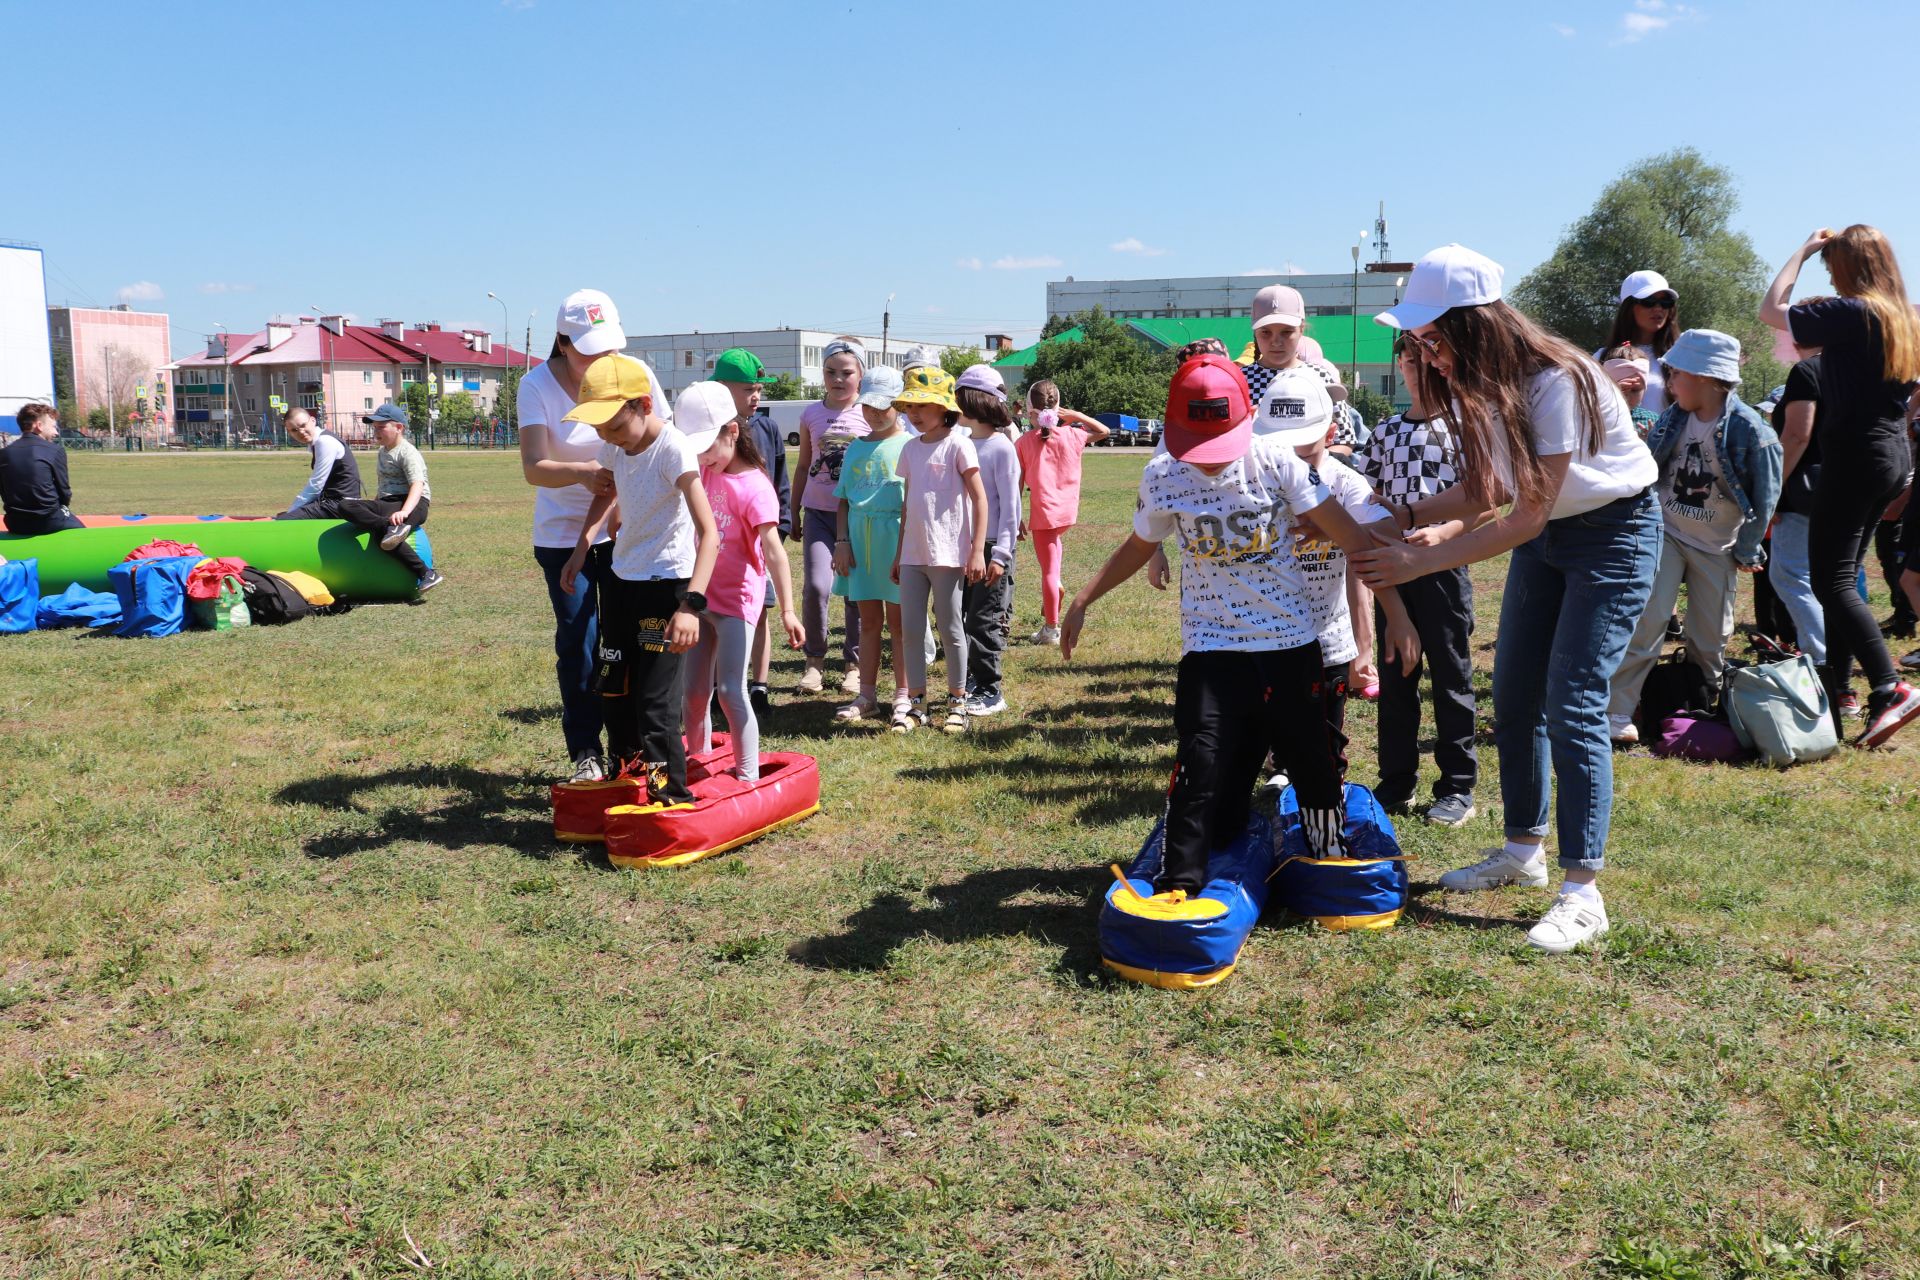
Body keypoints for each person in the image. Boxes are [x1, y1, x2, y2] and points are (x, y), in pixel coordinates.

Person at [1354, 244, 1659, 954]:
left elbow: (1524, 511)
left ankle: (1584, 893)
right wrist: (1413, 521)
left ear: (1474, 324)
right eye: (1418, 341)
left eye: (1432, 337)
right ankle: (1524, 852)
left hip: (1613, 534)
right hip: (1551, 535)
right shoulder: (1483, 384)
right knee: (1516, 695)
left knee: (1574, 701)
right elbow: (1491, 490)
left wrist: (1407, 562)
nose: (1426, 354)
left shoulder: (1558, 380)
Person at [1060, 353, 1417, 907]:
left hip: (1289, 643)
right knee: (1202, 757)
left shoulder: (1276, 462)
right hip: (1211, 646)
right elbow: (1139, 545)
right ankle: (1180, 881)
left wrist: (1396, 612)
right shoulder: (1162, 475)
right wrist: (1083, 599)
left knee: (1311, 756)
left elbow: (1353, 538)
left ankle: (1326, 853)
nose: (1208, 464)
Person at [1759, 225, 1920, 746]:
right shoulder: (1906, 318)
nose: (1830, 275)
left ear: (1849, 264)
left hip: (1854, 457)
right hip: (1892, 455)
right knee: (1843, 576)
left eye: (1833, 266)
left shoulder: (1853, 311)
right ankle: (1840, 690)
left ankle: (1890, 688)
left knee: (1830, 581)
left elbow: (1771, 308)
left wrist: (1802, 250)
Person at [517, 289, 667, 782]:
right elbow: (535, 468)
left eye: (609, 346)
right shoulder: (536, 385)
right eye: (589, 348)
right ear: (562, 341)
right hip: (564, 537)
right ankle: (586, 750)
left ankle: (636, 748)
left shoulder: (636, 374)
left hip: (629, 532)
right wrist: (584, 473)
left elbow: (659, 443)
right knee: (579, 643)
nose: (603, 358)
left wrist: (622, 501)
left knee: (628, 639)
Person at [1606, 331, 1782, 741]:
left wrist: (1747, 546)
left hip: (1718, 545)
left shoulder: (1751, 431)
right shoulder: (1673, 417)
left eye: (1676, 374)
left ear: (1705, 377)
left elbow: (1766, 496)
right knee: (1647, 621)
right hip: (1665, 532)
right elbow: (1650, 467)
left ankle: (1702, 706)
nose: (1668, 384)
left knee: (1710, 635)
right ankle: (1618, 711)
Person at [558, 355, 719, 802]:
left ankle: (670, 795)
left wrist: (690, 606)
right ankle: (626, 774)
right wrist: (582, 547)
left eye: (612, 426)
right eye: (598, 429)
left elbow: (710, 534)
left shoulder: (673, 450)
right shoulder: (615, 445)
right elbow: (606, 491)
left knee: (654, 699)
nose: (605, 438)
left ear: (644, 405)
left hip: (665, 587)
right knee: (613, 682)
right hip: (620, 580)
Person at [1257, 367, 1418, 794]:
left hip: (1326, 635)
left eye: (1304, 456)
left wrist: (1335, 527)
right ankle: (1282, 767)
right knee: (1273, 713)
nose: (1291, 468)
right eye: (1281, 453)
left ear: (1330, 434)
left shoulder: (1344, 481)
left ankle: (1326, 789)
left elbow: (1386, 535)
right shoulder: (1251, 475)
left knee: (1326, 730)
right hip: (1263, 632)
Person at [1355, 336, 1483, 826]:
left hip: (1444, 569)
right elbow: (1365, 496)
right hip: (1393, 566)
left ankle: (1457, 786)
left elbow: (1488, 501)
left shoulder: (1463, 427)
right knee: (1396, 676)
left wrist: (1446, 531)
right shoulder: (1385, 431)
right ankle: (1396, 781)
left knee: (1451, 676)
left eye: (1422, 360)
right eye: (1406, 361)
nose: (1414, 370)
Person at [679, 382, 804, 782]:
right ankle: (698, 762)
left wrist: (787, 609)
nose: (702, 456)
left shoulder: (754, 487)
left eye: (707, 446)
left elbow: (774, 552)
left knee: (731, 690)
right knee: (695, 692)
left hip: (737, 601)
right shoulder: (703, 470)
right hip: (702, 599)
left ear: (732, 432)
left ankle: (747, 775)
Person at [889, 367, 987, 734]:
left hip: (948, 553)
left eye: (923, 405)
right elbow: (907, 504)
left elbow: (980, 499)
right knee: (911, 629)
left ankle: (957, 702)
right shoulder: (910, 449)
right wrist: (899, 554)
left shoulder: (959, 444)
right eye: (909, 406)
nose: (914, 413)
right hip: (913, 555)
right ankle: (917, 705)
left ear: (943, 408)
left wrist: (977, 550)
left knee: (950, 628)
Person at [711, 348, 792, 719]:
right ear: (722, 388)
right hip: (721, 547)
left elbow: (779, 481)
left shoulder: (767, 427)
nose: (755, 396)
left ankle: (757, 686)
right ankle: (719, 686)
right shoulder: (709, 429)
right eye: (747, 389)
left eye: (758, 388)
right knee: (716, 619)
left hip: (760, 542)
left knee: (759, 614)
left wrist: (783, 523)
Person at [831, 367, 911, 722]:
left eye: (883, 406)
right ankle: (867, 695)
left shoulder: (909, 445)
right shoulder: (854, 449)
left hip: (896, 540)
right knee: (867, 623)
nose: (875, 414)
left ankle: (905, 695)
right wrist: (842, 542)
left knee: (900, 624)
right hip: (859, 544)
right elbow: (843, 500)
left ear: (900, 405)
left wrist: (904, 550)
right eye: (868, 406)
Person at [792, 338, 869, 696]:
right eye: (830, 372)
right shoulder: (810, 414)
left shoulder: (869, 412)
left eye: (846, 373)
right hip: (818, 515)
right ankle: (814, 662)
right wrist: (792, 510)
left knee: (854, 593)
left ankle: (854, 665)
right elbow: (804, 464)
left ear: (861, 374)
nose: (838, 379)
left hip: (857, 516)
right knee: (817, 587)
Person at [1015, 378, 1107, 645]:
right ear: (1058, 408)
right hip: (1067, 512)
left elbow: (1017, 485)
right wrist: (1075, 415)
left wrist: (1016, 517)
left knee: (1049, 571)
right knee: (1053, 561)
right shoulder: (1073, 434)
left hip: (1044, 515)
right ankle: (1056, 591)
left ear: (1032, 412)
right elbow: (1103, 431)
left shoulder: (1023, 442)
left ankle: (1051, 628)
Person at [955, 365, 1020, 716]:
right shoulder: (961, 444)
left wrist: (1000, 554)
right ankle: (965, 683)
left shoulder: (1001, 448)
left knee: (984, 619)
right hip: (963, 547)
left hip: (992, 549)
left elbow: (1011, 508)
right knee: (957, 616)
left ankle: (991, 689)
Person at [1768, 335, 1831, 674]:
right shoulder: (1858, 370)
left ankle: (1821, 661)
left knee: (1790, 575)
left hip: (1805, 491)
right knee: (1835, 581)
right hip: (1850, 490)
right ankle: (1839, 668)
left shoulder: (1808, 371)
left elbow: (1797, 435)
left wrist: (1772, 491)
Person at [336, 405, 442, 595]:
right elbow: (384, 486)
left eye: (381, 427)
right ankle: (386, 526)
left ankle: (426, 574)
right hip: (388, 503)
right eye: (374, 427)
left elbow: (417, 485)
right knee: (345, 505)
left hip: (412, 502)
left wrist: (404, 513)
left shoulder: (407, 452)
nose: (376, 431)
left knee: (383, 539)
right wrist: (373, 507)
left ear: (399, 428)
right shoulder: (383, 452)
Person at [1598, 270, 1679, 414]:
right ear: (1628, 308)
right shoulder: (1601, 358)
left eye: (1665, 302)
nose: (1658, 308)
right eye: (1649, 302)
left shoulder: (1680, 357)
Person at [0, 403, 84, 534]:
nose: (56, 432)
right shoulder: (55, 450)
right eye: (53, 427)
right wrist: (62, 509)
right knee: (81, 531)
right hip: (49, 521)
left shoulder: (4, 453)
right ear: (39, 426)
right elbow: (64, 491)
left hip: (14, 523)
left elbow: (4, 491)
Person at [276, 408, 362, 519]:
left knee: (284, 521)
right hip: (333, 502)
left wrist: (291, 512)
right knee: (287, 516)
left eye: (303, 425)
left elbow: (316, 485)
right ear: (289, 433)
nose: (301, 432)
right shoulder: (317, 443)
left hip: (341, 505)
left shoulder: (325, 441)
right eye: (294, 430)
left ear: (313, 420)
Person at [1600, 346, 1661, 440]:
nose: (1627, 396)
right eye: (1621, 390)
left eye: (1635, 390)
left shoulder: (1653, 421)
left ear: (1644, 389)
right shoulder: (1597, 416)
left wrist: (1652, 442)